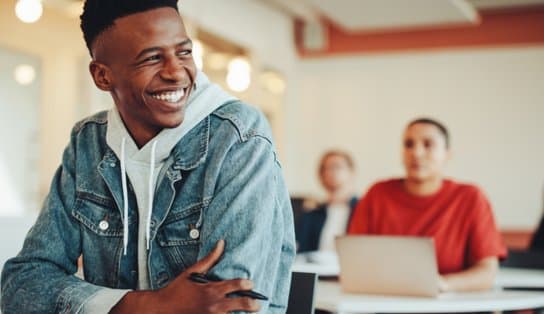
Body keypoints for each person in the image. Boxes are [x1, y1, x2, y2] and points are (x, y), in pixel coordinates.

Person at [0, 1, 295, 313]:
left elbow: (234, 307)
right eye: (152, 58)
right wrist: (150, 305)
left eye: (184, 52)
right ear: (102, 76)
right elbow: (22, 284)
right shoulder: (88, 142)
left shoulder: (239, 136)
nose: (176, 72)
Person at [348, 118, 507, 292]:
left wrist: (443, 284)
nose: (416, 153)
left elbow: (487, 273)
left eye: (428, 144)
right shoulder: (377, 194)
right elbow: (353, 263)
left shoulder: (470, 197)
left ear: (447, 154)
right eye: (409, 144)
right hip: (381, 303)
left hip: (449, 306)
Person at [296, 150, 358, 253]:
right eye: (324, 168)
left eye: (337, 166)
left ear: (351, 172)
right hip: (315, 268)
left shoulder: (363, 210)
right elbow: (302, 250)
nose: (330, 172)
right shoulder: (311, 214)